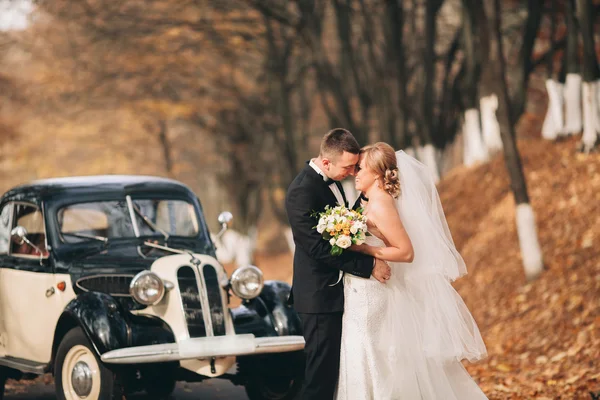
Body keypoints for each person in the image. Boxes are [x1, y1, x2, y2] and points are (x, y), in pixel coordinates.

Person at [336, 142, 488, 400]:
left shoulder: (381, 204)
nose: (355, 173)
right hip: (360, 294)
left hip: (376, 295)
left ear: (376, 173)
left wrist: (366, 251)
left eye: (360, 168)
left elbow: (406, 252)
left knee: (381, 359)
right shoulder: (369, 201)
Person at [285, 129, 392, 400]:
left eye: (356, 166)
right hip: (318, 297)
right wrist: (369, 265)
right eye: (348, 167)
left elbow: (344, 228)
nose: (352, 172)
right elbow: (318, 249)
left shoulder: (329, 182)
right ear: (325, 162)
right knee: (319, 378)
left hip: (335, 293)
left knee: (332, 375)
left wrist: (366, 198)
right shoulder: (301, 191)